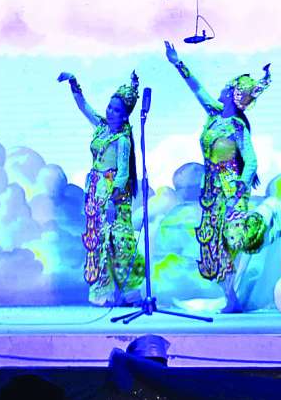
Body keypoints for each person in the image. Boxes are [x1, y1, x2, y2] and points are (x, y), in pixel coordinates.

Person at [165, 41, 269, 313]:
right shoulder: (213, 115)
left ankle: (235, 293)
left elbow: (251, 160)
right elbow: (196, 88)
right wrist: (177, 63)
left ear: (233, 95)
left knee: (231, 241)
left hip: (230, 189)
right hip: (211, 191)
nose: (221, 90)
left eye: (227, 87)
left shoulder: (236, 126)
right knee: (213, 243)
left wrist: (239, 188)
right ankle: (230, 297)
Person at [59, 70, 144, 306]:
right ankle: (104, 293)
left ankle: (128, 292)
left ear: (125, 116)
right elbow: (83, 107)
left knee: (119, 243)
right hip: (96, 191)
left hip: (114, 195)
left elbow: (123, 173)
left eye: (116, 110)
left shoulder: (122, 140)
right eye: (109, 107)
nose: (110, 112)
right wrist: (74, 83)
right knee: (98, 241)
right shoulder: (101, 127)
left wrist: (112, 202)